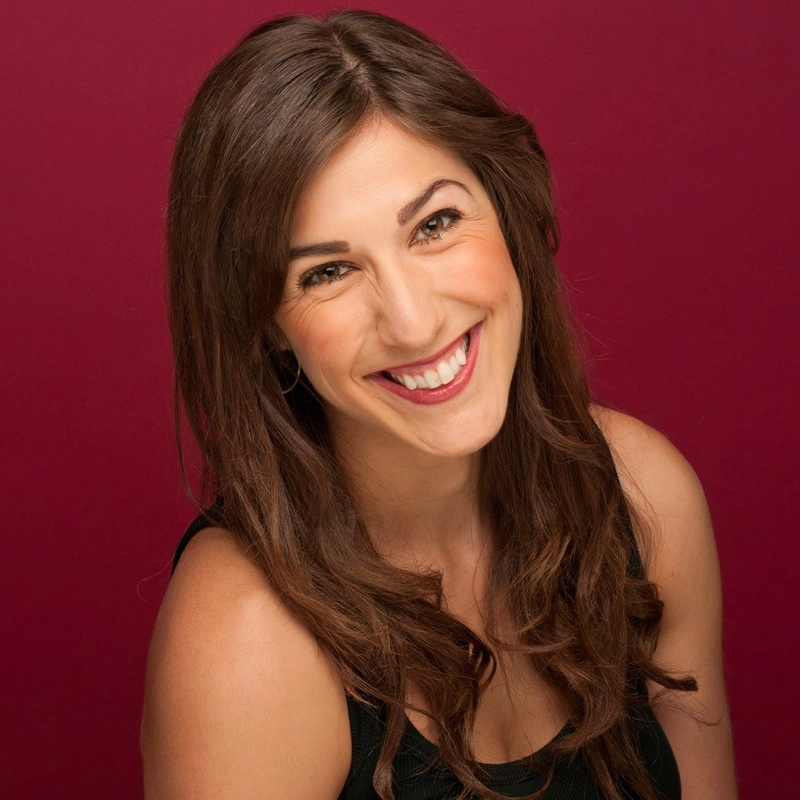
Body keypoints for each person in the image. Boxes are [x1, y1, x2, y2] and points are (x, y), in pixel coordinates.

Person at [141, 9, 737, 800]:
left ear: (506, 205)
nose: (415, 321)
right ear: (268, 330)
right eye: (326, 273)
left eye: (435, 223)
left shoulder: (644, 494)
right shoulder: (246, 641)